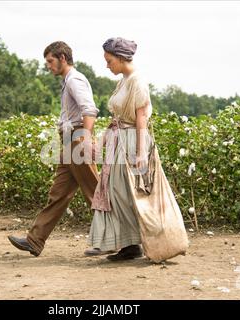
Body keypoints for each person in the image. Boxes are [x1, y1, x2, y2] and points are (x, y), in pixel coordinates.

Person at [8, 41, 112, 257]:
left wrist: (84, 138)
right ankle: (34, 241)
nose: (47, 66)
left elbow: (90, 110)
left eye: (50, 61)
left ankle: (117, 241)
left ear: (62, 58)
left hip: (77, 139)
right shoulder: (67, 82)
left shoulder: (75, 80)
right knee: (59, 193)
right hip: (68, 141)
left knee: (95, 192)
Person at [87, 37, 154, 261]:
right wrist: (104, 139)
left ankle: (136, 242)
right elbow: (117, 118)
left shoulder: (137, 81)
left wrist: (141, 152)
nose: (107, 65)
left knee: (125, 194)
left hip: (132, 142)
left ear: (121, 58)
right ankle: (126, 244)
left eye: (109, 60)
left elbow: (141, 117)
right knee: (113, 192)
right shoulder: (123, 81)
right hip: (119, 141)